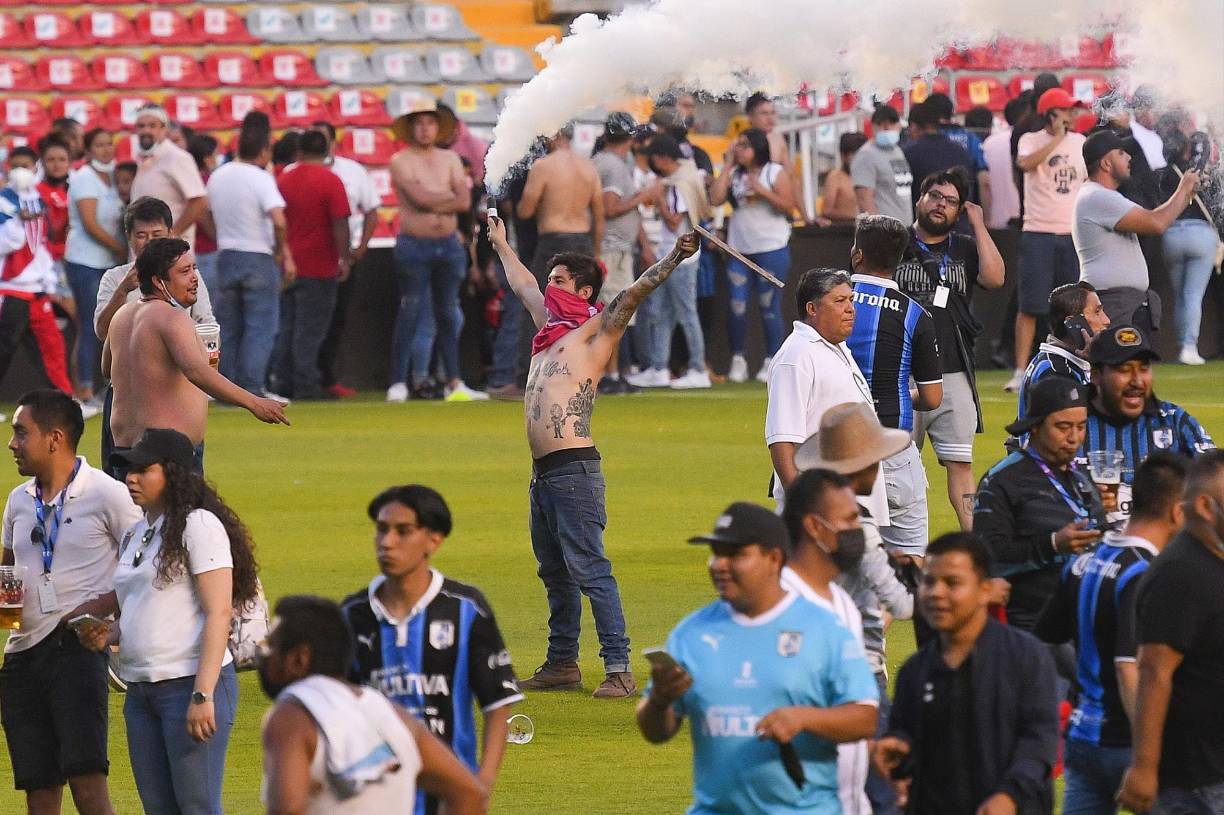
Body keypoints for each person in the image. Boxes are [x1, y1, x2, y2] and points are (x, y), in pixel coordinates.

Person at [487, 212, 699, 699]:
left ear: (584, 292)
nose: (549, 286)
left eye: (559, 281)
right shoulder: (550, 330)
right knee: (555, 572)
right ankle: (563, 663)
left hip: (574, 470)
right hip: (545, 474)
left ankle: (620, 669)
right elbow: (521, 285)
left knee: (589, 570)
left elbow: (634, 294)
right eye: (550, 279)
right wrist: (500, 243)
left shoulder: (596, 332)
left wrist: (672, 257)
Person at [637, 501, 878, 814]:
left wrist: (804, 718)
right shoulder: (692, 633)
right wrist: (659, 700)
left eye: (735, 554)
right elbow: (656, 732)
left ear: (774, 558)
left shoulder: (824, 628)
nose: (719, 565)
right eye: (716, 553)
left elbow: (865, 718)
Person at [77, 428, 257, 815]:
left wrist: (203, 695)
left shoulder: (199, 525)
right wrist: (108, 633)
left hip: (188, 686)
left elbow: (219, 611)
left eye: (144, 469)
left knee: (196, 806)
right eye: (128, 470)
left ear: (174, 472)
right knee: (158, 807)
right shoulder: (136, 534)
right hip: (141, 691)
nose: (131, 478)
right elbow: (140, 609)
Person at [0, 390, 140, 815]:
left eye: (21, 433)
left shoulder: (106, 493)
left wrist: (102, 607)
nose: (12, 444)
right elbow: (8, 572)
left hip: (75, 654)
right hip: (22, 659)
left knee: (87, 785)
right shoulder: (18, 501)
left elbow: (146, 563)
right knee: (39, 791)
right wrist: (8, 623)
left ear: (55, 438)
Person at [340, 485, 521, 813]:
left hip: (449, 798)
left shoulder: (467, 610)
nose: (387, 542)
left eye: (403, 531)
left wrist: (482, 784)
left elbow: (498, 701)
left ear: (433, 540)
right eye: (381, 530)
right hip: (371, 798)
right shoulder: (352, 615)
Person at [1034, 452, 1188, 815]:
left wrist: (1088, 686)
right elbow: (1129, 668)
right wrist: (1148, 756)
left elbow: (1048, 638)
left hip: (1082, 739)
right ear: (1177, 512)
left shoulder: (1085, 558)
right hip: (1127, 741)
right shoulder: (1146, 574)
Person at [874, 533, 1059, 815]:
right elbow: (908, 739)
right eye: (929, 582)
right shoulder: (915, 670)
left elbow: (1040, 741)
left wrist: (1009, 796)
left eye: (952, 583)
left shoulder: (1026, 657)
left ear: (985, 590)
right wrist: (897, 747)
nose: (936, 593)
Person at [259, 595, 490, 815]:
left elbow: (287, 810)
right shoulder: (395, 716)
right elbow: (470, 795)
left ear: (300, 658)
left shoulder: (292, 717)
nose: (263, 656)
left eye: (271, 647)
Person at [790, 403, 914, 815]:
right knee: (881, 792)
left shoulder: (795, 523)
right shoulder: (858, 529)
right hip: (860, 672)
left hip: (801, 673)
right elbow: (902, 603)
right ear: (864, 467)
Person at [102, 238, 288, 477]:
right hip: (164, 454)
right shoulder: (172, 317)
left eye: (194, 268)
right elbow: (197, 372)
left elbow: (107, 368)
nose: (194, 278)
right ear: (159, 281)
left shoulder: (121, 316)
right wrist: (254, 402)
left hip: (125, 450)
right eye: (184, 271)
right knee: (180, 516)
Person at [895, 170, 1006, 530]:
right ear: (919, 199)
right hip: (900, 369)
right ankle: (898, 544)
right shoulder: (895, 242)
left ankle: (973, 541)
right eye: (935, 195)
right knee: (892, 462)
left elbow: (995, 279)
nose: (941, 204)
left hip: (952, 368)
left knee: (960, 463)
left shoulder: (965, 247)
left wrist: (979, 223)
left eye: (951, 201)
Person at [1118, 450, 1224, 815]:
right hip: (1198, 780)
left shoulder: (1213, 560)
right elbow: (1153, 672)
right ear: (1206, 507)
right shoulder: (1180, 575)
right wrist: (1145, 767)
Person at [94, 198, 220, 476]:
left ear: (171, 234)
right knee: (126, 483)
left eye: (157, 235)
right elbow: (103, 334)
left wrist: (189, 353)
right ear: (128, 238)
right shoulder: (115, 279)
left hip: (176, 391)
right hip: (126, 396)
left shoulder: (185, 278)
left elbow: (207, 326)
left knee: (180, 480)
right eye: (141, 235)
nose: (148, 242)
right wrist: (123, 291)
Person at [974, 376, 1108, 632]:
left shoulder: (1083, 478)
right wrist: (1053, 544)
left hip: (1084, 623)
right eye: (1063, 427)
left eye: (1081, 426)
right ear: (1035, 426)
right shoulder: (1001, 480)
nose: (1074, 438)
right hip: (1026, 628)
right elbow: (987, 559)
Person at [780, 469, 878, 815]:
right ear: (814, 526)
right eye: (850, 519)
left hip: (848, 801)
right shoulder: (780, 604)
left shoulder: (842, 602)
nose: (857, 530)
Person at [846, 214, 942, 557]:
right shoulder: (915, 314)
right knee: (912, 567)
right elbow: (932, 397)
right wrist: (897, 393)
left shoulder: (831, 306)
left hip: (835, 455)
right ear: (899, 260)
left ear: (858, 255)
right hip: (894, 454)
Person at [765, 268, 886, 522]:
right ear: (812, 309)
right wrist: (805, 507)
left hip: (853, 504)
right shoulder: (797, 356)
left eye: (851, 299)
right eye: (839, 301)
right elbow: (782, 440)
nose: (851, 308)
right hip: (822, 509)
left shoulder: (836, 347)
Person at [387, 99, 484, 402]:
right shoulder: (401, 160)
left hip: (447, 245)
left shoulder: (450, 159)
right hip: (416, 244)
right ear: (411, 128)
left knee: (447, 313)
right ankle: (398, 382)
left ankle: (453, 381)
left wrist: (435, 199)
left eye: (430, 122)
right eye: (419, 123)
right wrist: (446, 198)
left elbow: (464, 202)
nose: (425, 129)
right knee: (410, 311)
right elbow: (421, 200)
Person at [1077, 324, 1215, 525]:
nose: (1137, 381)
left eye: (1144, 369)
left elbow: (1215, 477)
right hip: (1090, 549)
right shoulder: (1071, 423)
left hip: (1163, 552)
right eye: (1124, 370)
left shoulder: (1174, 421)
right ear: (1096, 375)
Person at [1073, 129, 1199, 331]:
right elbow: (1157, 222)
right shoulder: (1098, 197)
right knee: (1123, 362)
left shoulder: (1100, 196)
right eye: (1121, 153)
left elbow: (1158, 219)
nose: (1129, 157)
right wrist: (1183, 188)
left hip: (1119, 301)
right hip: (1113, 302)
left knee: (1134, 363)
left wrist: (1186, 193)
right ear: (1106, 163)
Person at [1008, 88, 1089, 392]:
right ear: (1050, 114)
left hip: (1071, 233)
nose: (1071, 116)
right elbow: (1026, 164)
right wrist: (1056, 138)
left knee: (1076, 305)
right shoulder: (1030, 139)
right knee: (1030, 304)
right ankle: (1019, 370)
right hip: (1038, 231)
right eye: (1065, 110)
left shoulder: (1080, 142)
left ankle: (1079, 362)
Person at [206, 125, 291, 398]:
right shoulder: (260, 177)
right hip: (258, 255)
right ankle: (252, 387)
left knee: (228, 327)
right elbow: (278, 220)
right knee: (260, 327)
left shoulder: (218, 176)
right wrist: (279, 251)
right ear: (265, 150)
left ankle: (226, 389)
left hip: (226, 255)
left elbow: (204, 212)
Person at [708, 128, 796, 384]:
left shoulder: (774, 172)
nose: (739, 150)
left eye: (744, 146)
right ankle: (738, 358)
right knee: (737, 305)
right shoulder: (735, 174)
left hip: (772, 246)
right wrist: (726, 168)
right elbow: (715, 199)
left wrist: (762, 190)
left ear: (757, 148)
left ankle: (771, 359)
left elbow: (788, 206)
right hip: (739, 248)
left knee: (769, 307)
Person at [270, 130, 351, 401]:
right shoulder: (331, 181)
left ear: (298, 151)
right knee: (311, 330)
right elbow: (340, 222)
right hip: (320, 266)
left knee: (287, 326)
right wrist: (344, 257)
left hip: (288, 264)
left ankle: (282, 382)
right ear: (327, 151)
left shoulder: (283, 179)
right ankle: (306, 384)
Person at [627, 133, 711, 390]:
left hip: (682, 258)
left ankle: (698, 368)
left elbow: (675, 221)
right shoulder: (682, 177)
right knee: (661, 313)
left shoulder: (680, 182)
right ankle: (659, 367)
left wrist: (658, 195)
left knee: (686, 313)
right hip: (670, 255)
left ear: (662, 158)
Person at [308, 121, 381, 397]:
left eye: (322, 138)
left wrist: (360, 248)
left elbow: (372, 210)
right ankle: (305, 377)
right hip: (310, 259)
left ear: (333, 142)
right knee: (308, 321)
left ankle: (326, 377)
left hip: (343, 258)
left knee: (335, 319)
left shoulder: (352, 171)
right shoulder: (298, 171)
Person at [0, 150, 74, 398]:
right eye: (16, 166)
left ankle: (63, 398)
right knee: (4, 347)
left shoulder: (38, 199)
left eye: (26, 166)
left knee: (51, 345)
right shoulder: (4, 199)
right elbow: (7, 243)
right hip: (10, 286)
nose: (21, 171)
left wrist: (49, 281)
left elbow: (41, 244)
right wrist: (19, 221)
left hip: (37, 288)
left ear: (35, 168)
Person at [591, 113, 654, 394]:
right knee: (613, 315)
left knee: (612, 314)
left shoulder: (606, 162)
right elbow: (610, 208)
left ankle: (612, 372)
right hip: (612, 249)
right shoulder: (613, 166)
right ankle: (609, 374)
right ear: (630, 139)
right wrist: (645, 195)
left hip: (613, 247)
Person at [1008, 281, 1110, 450]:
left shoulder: (1060, 362)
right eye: (1097, 311)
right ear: (1074, 324)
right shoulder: (1054, 371)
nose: (1107, 320)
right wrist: (1097, 365)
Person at [66, 130, 126, 404]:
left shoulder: (113, 176)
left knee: (108, 325)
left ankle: (101, 386)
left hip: (106, 263)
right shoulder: (84, 178)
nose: (106, 149)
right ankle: (85, 389)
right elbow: (90, 223)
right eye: (99, 145)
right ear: (88, 150)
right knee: (90, 325)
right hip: (85, 260)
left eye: (109, 143)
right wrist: (119, 248)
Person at [1157, 127, 1220, 365]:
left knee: (1181, 295)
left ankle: (1184, 345)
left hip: (1171, 233)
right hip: (1201, 234)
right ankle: (1189, 346)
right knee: (1193, 295)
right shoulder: (1204, 173)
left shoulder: (1163, 173)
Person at [129, 105, 207, 244]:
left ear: (164, 129)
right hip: (145, 251)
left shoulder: (177, 157)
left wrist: (171, 237)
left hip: (170, 253)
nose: (146, 130)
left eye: (152, 126)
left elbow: (199, 202)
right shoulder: (142, 158)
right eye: (141, 126)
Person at [925, 92, 992, 215]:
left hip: (930, 211)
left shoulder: (926, 138)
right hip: (962, 211)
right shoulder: (970, 138)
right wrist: (985, 221)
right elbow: (984, 181)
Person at [902, 102, 973, 211]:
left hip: (926, 220)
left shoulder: (910, 153)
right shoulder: (961, 151)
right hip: (959, 219)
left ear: (914, 126)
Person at [851, 106, 913, 222]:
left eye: (892, 123)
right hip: (883, 232)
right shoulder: (866, 155)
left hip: (902, 228)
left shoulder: (897, 151)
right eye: (881, 124)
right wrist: (876, 230)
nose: (887, 127)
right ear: (873, 126)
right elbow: (864, 199)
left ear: (899, 125)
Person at [982, 97, 1023, 229]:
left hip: (995, 221)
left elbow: (985, 183)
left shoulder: (990, 142)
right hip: (1031, 222)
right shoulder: (1034, 142)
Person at [821, 131, 867, 223]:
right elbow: (827, 211)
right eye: (855, 155)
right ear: (844, 156)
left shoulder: (868, 175)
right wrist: (854, 215)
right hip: (845, 229)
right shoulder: (835, 177)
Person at [744, 93, 792, 173]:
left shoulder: (777, 139)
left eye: (772, 113)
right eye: (764, 113)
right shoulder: (743, 141)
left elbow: (791, 176)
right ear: (750, 117)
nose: (770, 118)